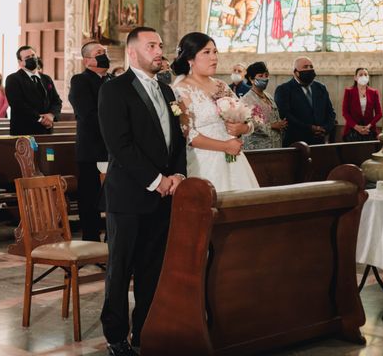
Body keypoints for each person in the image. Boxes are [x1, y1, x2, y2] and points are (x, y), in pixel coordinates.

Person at [98, 27, 186, 355]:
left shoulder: (167, 90)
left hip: (164, 196)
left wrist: (177, 174)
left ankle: (145, 330)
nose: (159, 50)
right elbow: (119, 144)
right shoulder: (115, 90)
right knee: (121, 269)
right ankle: (117, 336)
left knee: (152, 270)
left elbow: (177, 139)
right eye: (152, 46)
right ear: (133, 52)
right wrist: (156, 179)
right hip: (130, 196)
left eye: (160, 45)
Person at [172, 32, 259, 192]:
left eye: (215, 52)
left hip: (234, 158)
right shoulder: (180, 90)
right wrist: (225, 146)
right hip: (204, 161)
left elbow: (246, 117)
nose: (214, 58)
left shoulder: (221, 86)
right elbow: (188, 134)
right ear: (190, 58)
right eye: (206, 52)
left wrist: (243, 128)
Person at [68, 41, 112, 242]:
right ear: (87, 60)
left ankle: (112, 235)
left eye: (105, 52)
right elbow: (87, 113)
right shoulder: (81, 81)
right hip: (92, 147)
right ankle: (91, 237)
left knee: (113, 193)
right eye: (99, 53)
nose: (104, 55)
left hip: (113, 148)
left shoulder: (112, 80)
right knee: (90, 196)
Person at [275, 56, 336, 146]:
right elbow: (286, 115)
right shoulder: (284, 89)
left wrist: (325, 129)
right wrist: (310, 128)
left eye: (311, 66)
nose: (309, 69)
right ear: (296, 72)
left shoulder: (320, 88)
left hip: (319, 141)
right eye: (305, 67)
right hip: (296, 141)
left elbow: (330, 112)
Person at [5, 46, 62, 136]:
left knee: (48, 150)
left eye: (33, 55)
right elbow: (17, 104)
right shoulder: (13, 79)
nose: (32, 59)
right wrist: (40, 119)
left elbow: (57, 101)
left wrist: (51, 115)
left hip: (46, 130)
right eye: (27, 58)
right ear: (20, 62)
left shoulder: (46, 79)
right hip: (24, 131)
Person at [241, 61, 287, 150]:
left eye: (266, 75)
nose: (265, 79)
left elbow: (274, 116)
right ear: (252, 79)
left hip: (275, 145)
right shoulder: (246, 100)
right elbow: (248, 124)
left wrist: (281, 124)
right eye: (261, 76)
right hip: (257, 148)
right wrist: (272, 126)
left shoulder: (269, 96)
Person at [342, 67, 382, 141]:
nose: (363, 76)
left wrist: (368, 126)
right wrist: (357, 127)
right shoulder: (349, 92)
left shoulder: (374, 92)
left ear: (368, 77)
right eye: (360, 75)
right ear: (355, 78)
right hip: (352, 130)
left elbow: (379, 114)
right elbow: (345, 113)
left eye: (365, 74)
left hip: (369, 131)